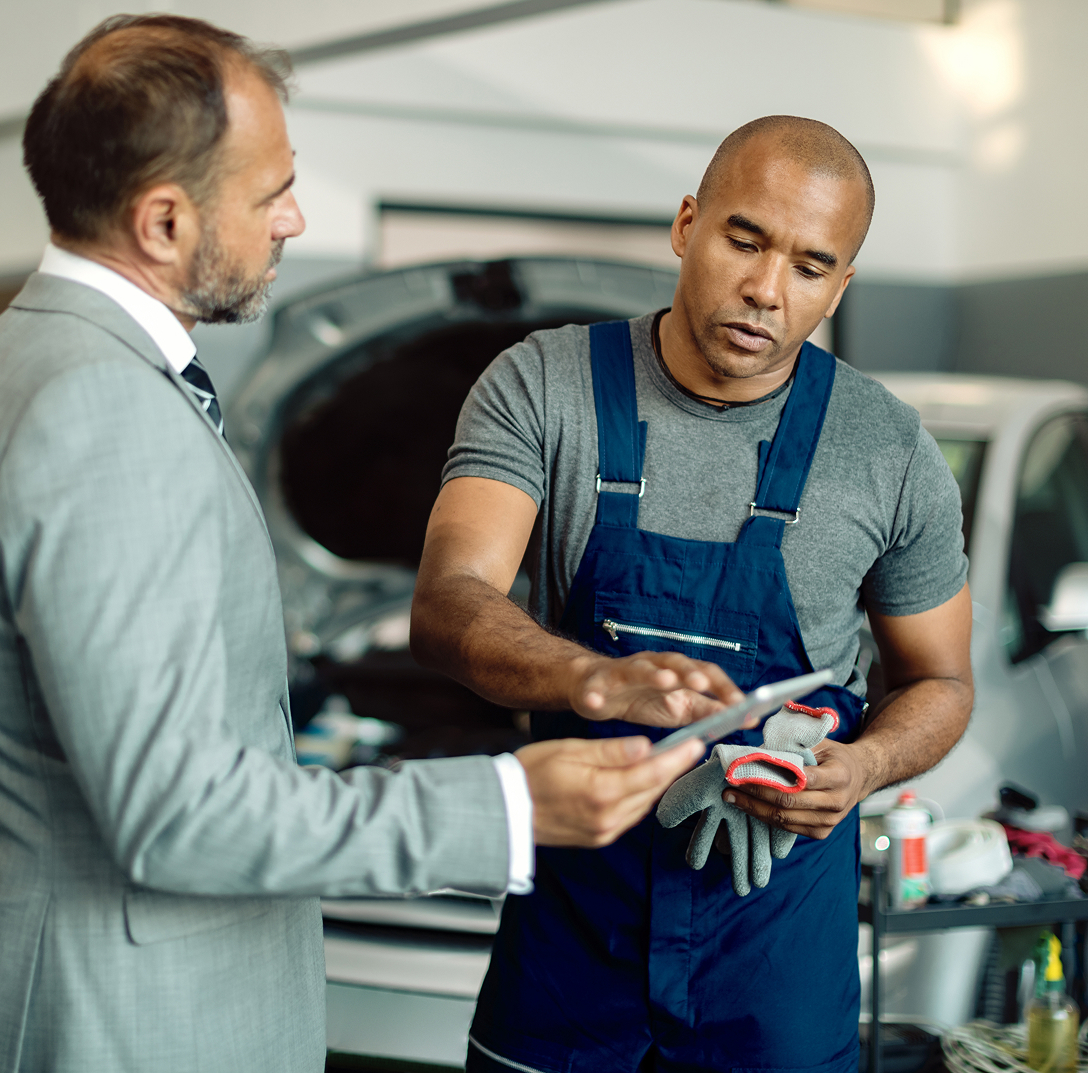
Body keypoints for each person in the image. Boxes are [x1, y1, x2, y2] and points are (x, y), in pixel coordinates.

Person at [0, 15, 716, 1073]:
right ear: (161, 220)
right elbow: (178, 815)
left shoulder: (25, 363)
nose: (292, 220)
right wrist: (510, 801)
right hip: (122, 1016)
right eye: (270, 191)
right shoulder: (95, 408)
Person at [411, 116, 975, 1073]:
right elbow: (450, 599)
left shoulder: (888, 450)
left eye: (809, 265)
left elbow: (940, 682)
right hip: (571, 927)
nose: (764, 289)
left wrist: (867, 764)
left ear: (840, 288)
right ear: (685, 226)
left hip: (775, 940)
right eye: (743, 240)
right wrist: (593, 678)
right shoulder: (544, 386)